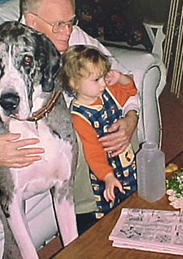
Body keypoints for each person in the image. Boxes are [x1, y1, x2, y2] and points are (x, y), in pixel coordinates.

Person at [0, 0, 140, 233]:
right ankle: (90, 225)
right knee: (80, 133)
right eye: (59, 24)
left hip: (80, 122)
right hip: (63, 135)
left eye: (71, 21)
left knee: (113, 119)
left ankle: (132, 197)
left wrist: (131, 116)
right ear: (32, 21)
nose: (68, 31)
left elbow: (119, 72)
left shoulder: (72, 37)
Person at [59, 45, 138, 232]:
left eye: (104, 77)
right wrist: (108, 177)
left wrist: (120, 78)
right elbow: (93, 153)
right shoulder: (78, 117)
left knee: (130, 198)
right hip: (103, 169)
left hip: (124, 162)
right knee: (109, 210)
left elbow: (130, 90)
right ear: (74, 83)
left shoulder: (106, 93)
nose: (103, 83)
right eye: (96, 79)